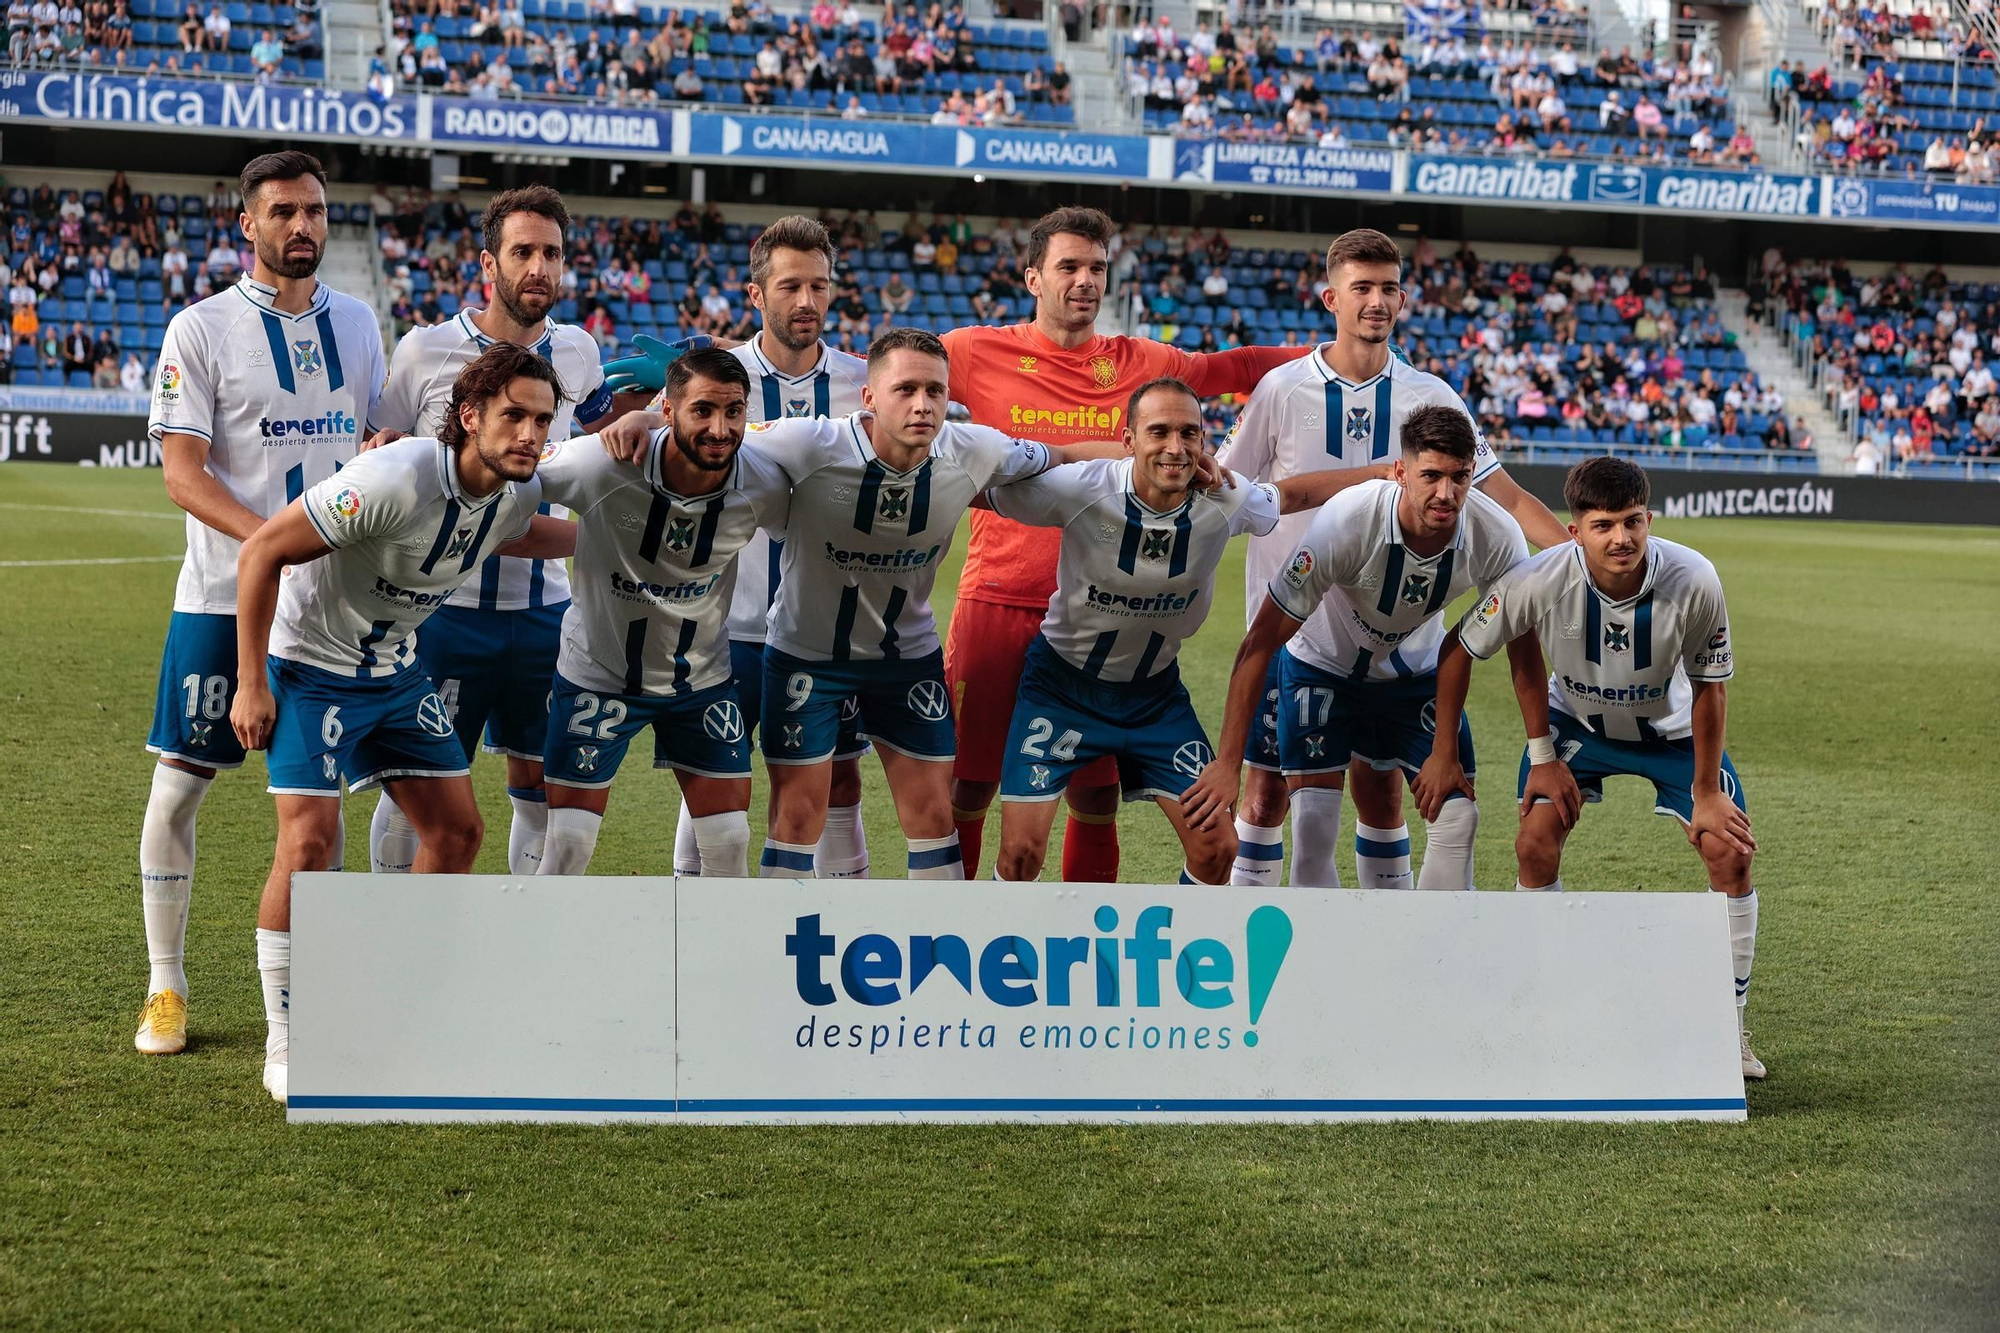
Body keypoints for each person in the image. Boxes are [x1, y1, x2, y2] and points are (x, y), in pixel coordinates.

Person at [603, 327, 1117, 879]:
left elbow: (1063, 455)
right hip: (806, 657)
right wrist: (650, 416)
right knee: (797, 816)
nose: (922, 405)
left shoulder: (974, 449)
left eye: (935, 392)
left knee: (934, 815)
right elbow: (716, 431)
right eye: (905, 390)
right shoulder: (807, 443)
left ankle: (934, 952)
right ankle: (787, 953)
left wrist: (1159, 460)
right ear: (869, 397)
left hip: (905, 660)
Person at [230, 344, 574, 1104]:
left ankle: (389, 1004)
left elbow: (515, 532)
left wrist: (625, 545)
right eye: (514, 414)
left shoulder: (515, 494)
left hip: (396, 673)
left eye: (542, 420)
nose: (529, 432)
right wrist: (252, 682)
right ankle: (285, 1035)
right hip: (309, 669)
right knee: (310, 841)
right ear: (471, 416)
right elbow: (261, 552)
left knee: (456, 833)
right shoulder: (394, 476)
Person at [939, 206, 1315, 882]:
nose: (1085, 281)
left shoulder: (1139, 362)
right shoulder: (973, 350)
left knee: (1096, 795)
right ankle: (953, 937)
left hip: (1107, 616)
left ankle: (1090, 956)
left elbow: (1234, 367)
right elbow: (886, 376)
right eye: (1068, 267)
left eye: (1096, 268)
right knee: (969, 787)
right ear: (1032, 277)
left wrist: (1334, 354)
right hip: (999, 599)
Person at [1215, 228, 1567, 890]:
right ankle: (1257, 951)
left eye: (1388, 289)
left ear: (1403, 299)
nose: (1376, 302)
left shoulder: (1430, 394)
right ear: (1331, 298)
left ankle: (1392, 961)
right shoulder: (1282, 389)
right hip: (1297, 627)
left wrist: (1579, 557)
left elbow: (1506, 498)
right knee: (1266, 798)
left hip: (1403, 635)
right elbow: (1237, 498)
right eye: (1362, 289)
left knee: (1381, 797)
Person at [134, 151, 384, 1061]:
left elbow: (372, 441)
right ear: (248, 223)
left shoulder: (358, 324)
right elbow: (182, 475)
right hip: (217, 598)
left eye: (314, 210)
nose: (301, 226)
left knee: (325, 807)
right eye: (281, 211)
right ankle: (167, 983)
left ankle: (318, 992)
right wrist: (272, 540)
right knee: (177, 791)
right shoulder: (198, 330)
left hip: (333, 609)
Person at [1419, 455, 1764, 1079]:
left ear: (1650, 520)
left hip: (1675, 737)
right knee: (1533, 843)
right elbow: (1459, 647)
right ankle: (1541, 1006)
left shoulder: (1695, 578)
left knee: (1730, 853)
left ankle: (1729, 1026)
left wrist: (1708, 790)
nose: (1621, 538)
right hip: (1575, 731)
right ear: (1574, 530)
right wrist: (1461, 754)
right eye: (1603, 524)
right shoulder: (1539, 577)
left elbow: (1711, 686)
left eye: (1633, 522)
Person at [989, 379, 1363, 884]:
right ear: (1128, 440)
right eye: (1159, 432)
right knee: (1020, 853)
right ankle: (1019, 960)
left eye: (1190, 433)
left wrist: (1383, 473)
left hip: (1155, 699)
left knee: (1217, 847)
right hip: (1061, 690)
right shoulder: (1083, 488)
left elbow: (1292, 494)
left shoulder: (1226, 499)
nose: (1175, 447)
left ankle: (1180, 960)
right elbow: (979, 489)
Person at [363, 186, 618, 882]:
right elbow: (377, 445)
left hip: (548, 618)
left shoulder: (580, 352)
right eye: (523, 251)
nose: (539, 267)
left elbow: (593, 447)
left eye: (552, 254)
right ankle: (397, 941)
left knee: (541, 794)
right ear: (488, 263)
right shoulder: (426, 351)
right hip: (442, 614)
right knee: (412, 792)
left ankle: (521, 950)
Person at [1187, 403, 1532, 891]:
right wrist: (1226, 764)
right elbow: (1260, 643)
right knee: (1313, 824)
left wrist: (1534, 752)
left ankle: (1428, 958)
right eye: (1430, 475)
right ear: (1400, 472)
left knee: (1457, 818)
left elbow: (1522, 644)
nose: (1445, 493)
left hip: (1414, 677)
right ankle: (1318, 960)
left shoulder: (1495, 535)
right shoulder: (1348, 520)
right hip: (1321, 666)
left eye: (1460, 477)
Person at [647, 218, 876, 880]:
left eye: (818, 286)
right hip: (721, 629)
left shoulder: (866, 385)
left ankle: (832, 952)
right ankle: (694, 953)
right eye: (789, 286)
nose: (806, 301)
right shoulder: (712, 381)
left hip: (827, 634)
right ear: (756, 295)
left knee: (837, 786)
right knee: (712, 794)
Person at [533, 349, 790, 877]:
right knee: (567, 850)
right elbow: (503, 466)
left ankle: (714, 958)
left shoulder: (762, 479)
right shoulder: (600, 463)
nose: (720, 429)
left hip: (700, 681)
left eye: (733, 412)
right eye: (702, 411)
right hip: (597, 678)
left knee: (729, 842)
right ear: (668, 411)